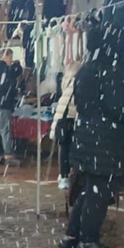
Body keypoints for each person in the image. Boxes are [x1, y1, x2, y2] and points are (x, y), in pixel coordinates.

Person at [61, 23, 124, 248]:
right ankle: (88, 241)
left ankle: (72, 236)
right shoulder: (110, 72)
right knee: (98, 194)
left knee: (89, 190)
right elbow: (118, 109)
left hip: (87, 138)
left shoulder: (87, 70)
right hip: (105, 143)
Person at [50, 60, 81, 189]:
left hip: (62, 118)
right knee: (70, 149)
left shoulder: (66, 82)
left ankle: (64, 174)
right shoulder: (78, 83)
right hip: (70, 118)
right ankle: (66, 175)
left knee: (63, 148)